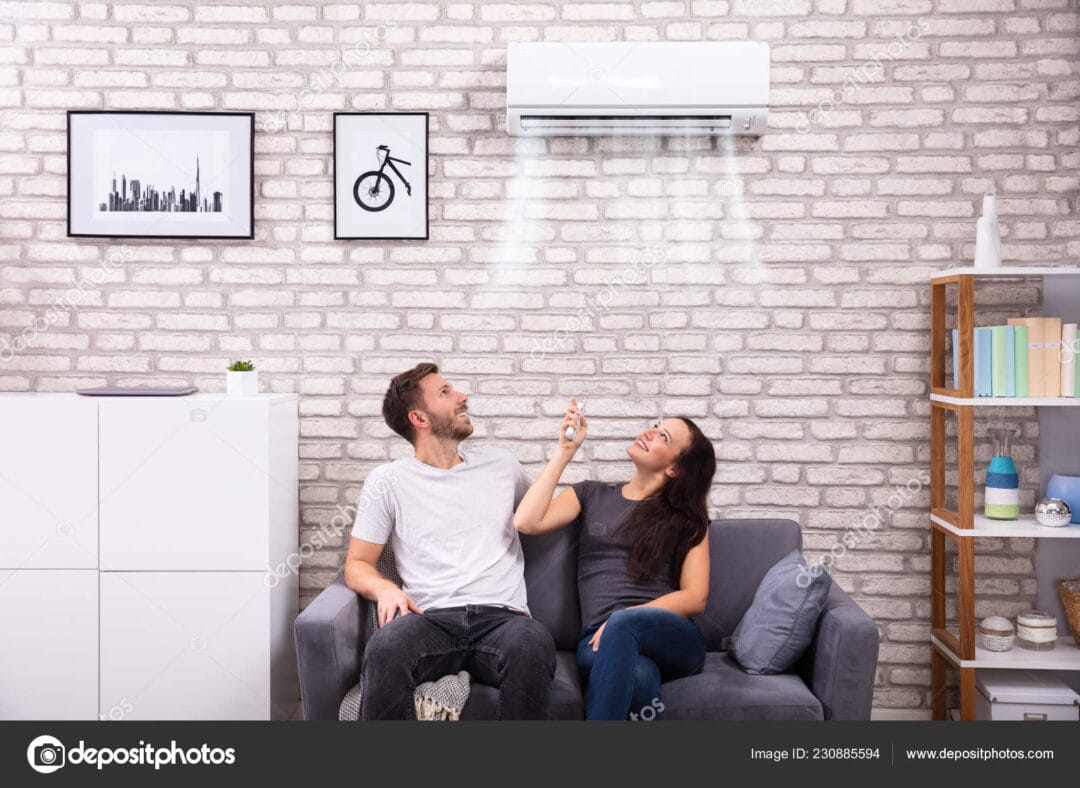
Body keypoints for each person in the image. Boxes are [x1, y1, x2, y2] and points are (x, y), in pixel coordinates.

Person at [344, 363, 555, 720]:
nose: (462, 397)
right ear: (419, 418)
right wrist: (384, 589)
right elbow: (357, 564)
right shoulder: (388, 481)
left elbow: (540, 515)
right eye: (445, 392)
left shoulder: (502, 466)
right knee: (385, 647)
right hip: (430, 619)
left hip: (503, 620)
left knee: (532, 644)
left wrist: (565, 453)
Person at [513, 399, 716, 720]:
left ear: (674, 468)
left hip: (671, 637)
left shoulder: (688, 519)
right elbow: (526, 521)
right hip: (598, 640)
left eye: (663, 437)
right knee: (641, 676)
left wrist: (624, 619)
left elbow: (695, 597)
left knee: (624, 625)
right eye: (655, 427)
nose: (649, 433)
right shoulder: (589, 494)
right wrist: (565, 451)